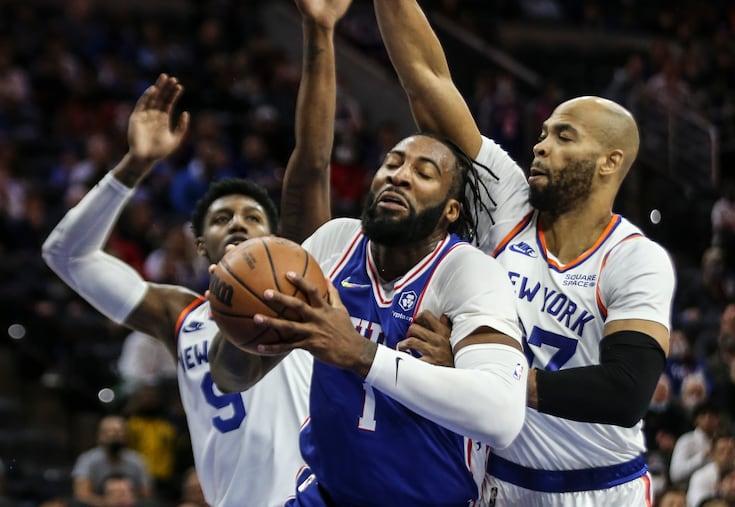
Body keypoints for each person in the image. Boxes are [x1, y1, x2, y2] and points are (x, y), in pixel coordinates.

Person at [42, 0, 349, 504]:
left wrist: (320, 35)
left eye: (253, 218)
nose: (239, 225)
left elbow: (312, 162)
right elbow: (65, 255)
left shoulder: (299, 281)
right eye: (222, 219)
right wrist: (134, 166)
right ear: (200, 243)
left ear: (277, 242)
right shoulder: (177, 314)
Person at [372, 1, 677, 505]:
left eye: (563, 136)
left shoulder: (633, 258)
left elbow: (626, 391)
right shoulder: (507, 205)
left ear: (610, 162)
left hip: (600, 488)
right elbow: (427, 81)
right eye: (542, 134)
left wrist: (483, 376)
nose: (540, 145)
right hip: (501, 482)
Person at [209, 131, 529, 506]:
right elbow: (231, 376)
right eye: (391, 164)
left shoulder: (470, 273)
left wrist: (359, 353)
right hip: (323, 496)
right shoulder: (335, 243)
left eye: (424, 173)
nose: (400, 175)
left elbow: (503, 418)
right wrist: (238, 313)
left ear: (451, 210)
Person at [71, 415, 153, 507]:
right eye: (108, 432)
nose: (113, 435)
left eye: (118, 432)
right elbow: (81, 494)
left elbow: (146, 494)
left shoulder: (137, 460)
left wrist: (124, 499)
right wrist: (107, 503)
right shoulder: (87, 459)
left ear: (126, 435)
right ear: (100, 436)